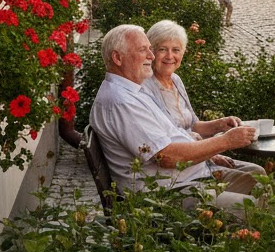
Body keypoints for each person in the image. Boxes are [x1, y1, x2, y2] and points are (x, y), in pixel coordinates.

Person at [89, 24, 261, 214]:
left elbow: (174, 132)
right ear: (118, 58)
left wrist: (210, 137)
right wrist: (225, 141)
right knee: (254, 208)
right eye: (143, 50)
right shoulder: (121, 102)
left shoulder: (132, 92)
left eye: (150, 49)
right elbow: (166, 157)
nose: (151, 56)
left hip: (188, 178)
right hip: (165, 194)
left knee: (261, 183)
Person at [142, 20, 266, 178]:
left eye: (176, 50)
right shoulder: (146, 87)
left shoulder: (175, 80)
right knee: (256, 178)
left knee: (258, 172)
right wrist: (211, 153)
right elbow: (169, 140)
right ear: (151, 52)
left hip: (197, 157)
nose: (170, 56)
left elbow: (193, 125)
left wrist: (220, 124)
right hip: (183, 169)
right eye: (162, 49)